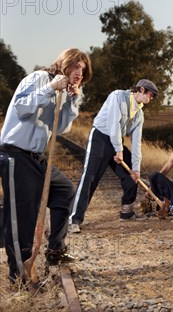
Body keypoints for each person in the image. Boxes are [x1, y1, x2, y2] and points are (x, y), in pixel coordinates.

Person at [0, 49, 92, 285]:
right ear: (64, 64)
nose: (79, 73)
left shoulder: (62, 90)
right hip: (16, 155)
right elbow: (22, 107)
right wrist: (51, 87)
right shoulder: (39, 79)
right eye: (76, 66)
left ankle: (55, 251)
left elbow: (61, 127)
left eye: (82, 70)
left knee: (64, 192)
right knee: (22, 218)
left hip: (37, 157)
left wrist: (72, 98)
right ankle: (19, 277)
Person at [68, 79, 159, 233]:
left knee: (131, 175)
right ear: (142, 90)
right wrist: (119, 149)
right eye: (151, 95)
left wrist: (136, 168)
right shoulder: (117, 96)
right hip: (100, 138)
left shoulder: (139, 114)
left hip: (116, 142)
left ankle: (127, 211)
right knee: (90, 178)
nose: (152, 98)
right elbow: (113, 125)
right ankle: (74, 220)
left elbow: (136, 143)